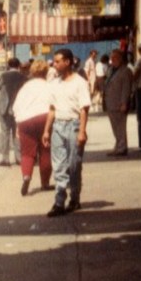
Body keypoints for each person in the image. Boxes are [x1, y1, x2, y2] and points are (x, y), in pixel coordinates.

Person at [42, 48, 90, 216]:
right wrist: (47, 130)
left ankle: (75, 199)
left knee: (74, 165)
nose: (54, 65)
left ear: (67, 62)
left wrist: (82, 132)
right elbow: (52, 109)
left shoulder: (80, 82)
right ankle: (59, 202)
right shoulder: (54, 84)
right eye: (54, 62)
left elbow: (84, 109)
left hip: (74, 125)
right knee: (59, 166)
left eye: (57, 61)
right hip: (58, 127)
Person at [12, 59, 53, 195]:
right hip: (43, 117)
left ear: (32, 72)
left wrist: (18, 124)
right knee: (45, 151)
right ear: (46, 72)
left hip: (25, 120)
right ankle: (45, 183)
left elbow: (16, 107)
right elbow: (54, 105)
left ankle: (26, 176)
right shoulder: (49, 86)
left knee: (27, 153)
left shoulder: (25, 87)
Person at [0, 57, 26, 166]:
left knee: (5, 133)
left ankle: (5, 158)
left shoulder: (4, 75)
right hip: (18, 109)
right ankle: (18, 158)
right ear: (18, 65)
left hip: (4, 108)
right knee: (17, 134)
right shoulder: (22, 77)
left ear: (8, 65)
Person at [102, 48, 133, 156]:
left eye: (114, 58)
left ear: (120, 58)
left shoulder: (125, 71)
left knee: (120, 127)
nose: (112, 60)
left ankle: (122, 147)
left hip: (119, 103)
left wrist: (124, 103)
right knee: (115, 127)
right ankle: (118, 145)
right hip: (111, 102)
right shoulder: (112, 70)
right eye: (111, 58)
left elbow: (126, 88)